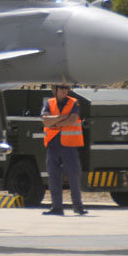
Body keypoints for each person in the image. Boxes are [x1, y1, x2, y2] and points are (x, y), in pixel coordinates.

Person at [41, 84, 86, 215]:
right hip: (53, 146)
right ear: (55, 90)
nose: (64, 91)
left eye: (66, 89)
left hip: (69, 146)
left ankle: (78, 207)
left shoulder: (74, 102)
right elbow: (45, 120)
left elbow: (72, 120)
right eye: (61, 89)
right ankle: (56, 207)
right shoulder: (49, 103)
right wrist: (62, 118)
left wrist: (54, 122)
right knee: (54, 178)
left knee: (74, 176)